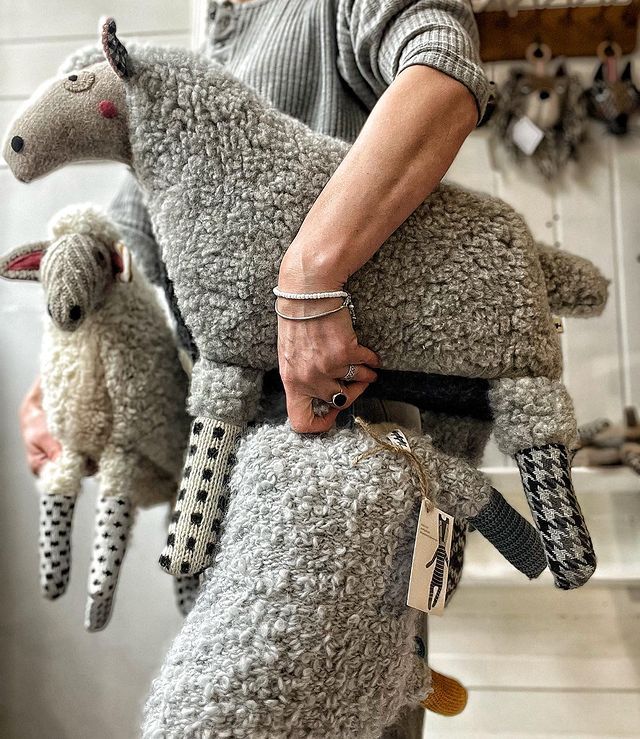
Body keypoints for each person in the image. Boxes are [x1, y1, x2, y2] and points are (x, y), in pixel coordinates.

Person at [19, 0, 488, 734]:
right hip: (232, 482)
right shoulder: (219, 28)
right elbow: (138, 233)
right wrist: (70, 363)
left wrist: (307, 278)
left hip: (340, 476)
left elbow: (445, 76)